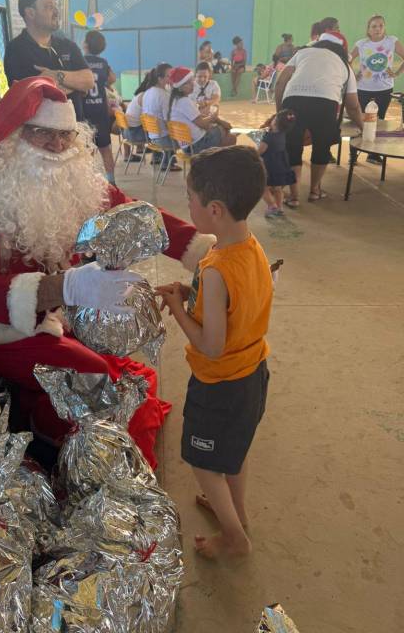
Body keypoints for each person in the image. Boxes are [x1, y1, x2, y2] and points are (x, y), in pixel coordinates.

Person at [0, 76, 217, 468]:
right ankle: (49, 445)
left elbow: (135, 218)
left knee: (111, 352)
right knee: (94, 376)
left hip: (44, 316)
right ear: (12, 135)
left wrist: (207, 253)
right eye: (42, 133)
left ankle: (49, 420)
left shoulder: (72, 179)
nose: (57, 146)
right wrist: (69, 287)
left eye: (65, 135)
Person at [156, 146, 272, 558]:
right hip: (253, 373)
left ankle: (234, 538)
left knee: (204, 462)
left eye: (191, 197)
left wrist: (176, 308)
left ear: (215, 209)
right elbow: (236, 307)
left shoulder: (216, 268)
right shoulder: (250, 248)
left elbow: (211, 345)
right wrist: (191, 296)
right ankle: (237, 514)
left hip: (220, 384)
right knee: (233, 452)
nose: (187, 204)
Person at [275, 32, 363, 207]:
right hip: (325, 104)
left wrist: (280, 113)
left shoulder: (302, 53)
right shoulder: (344, 64)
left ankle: (294, 197)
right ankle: (315, 191)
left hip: (293, 101)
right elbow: (353, 105)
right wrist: (363, 126)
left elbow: (280, 83)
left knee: (293, 148)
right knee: (321, 148)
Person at [3, 0, 94, 120]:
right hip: (40, 132)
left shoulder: (68, 45)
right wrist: (75, 86)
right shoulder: (16, 50)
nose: (56, 12)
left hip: (77, 129)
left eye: (55, 6)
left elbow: (89, 80)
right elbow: (27, 96)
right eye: (49, 7)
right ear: (31, 13)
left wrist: (56, 76)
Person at [350, 14, 404, 164]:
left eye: (381, 25)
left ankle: (373, 155)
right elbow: (348, 59)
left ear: (384, 27)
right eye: (374, 26)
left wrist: (397, 73)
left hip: (384, 88)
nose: (378, 29)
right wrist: (354, 75)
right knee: (359, 120)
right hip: (363, 88)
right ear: (368, 29)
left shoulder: (392, 41)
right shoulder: (361, 44)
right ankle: (352, 155)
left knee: (379, 121)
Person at [168, 67, 234, 154]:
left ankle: (218, 153)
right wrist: (213, 118)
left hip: (188, 146)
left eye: (192, 81)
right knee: (226, 133)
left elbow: (198, 117)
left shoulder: (176, 100)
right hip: (196, 146)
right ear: (180, 87)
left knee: (224, 133)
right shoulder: (185, 101)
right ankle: (215, 156)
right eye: (189, 82)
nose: (193, 84)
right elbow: (203, 124)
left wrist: (214, 120)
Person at [82, 30, 117, 184]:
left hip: (85, 112)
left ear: (86, 44)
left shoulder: (80, 61)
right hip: (101, 111)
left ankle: (88, 182)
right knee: (105, 149)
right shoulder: (103, 62)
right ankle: (112, 182)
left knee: (86, 151)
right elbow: (112, 79)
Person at [139, 63, 181, 171]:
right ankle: (168, 163)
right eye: (169, 76)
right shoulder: (163, 95)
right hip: (163, 140)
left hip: (151, 138)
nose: (172, 78)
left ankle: (159, 157)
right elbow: (169, 121)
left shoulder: (148, 92)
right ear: (159, 78)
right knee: (191, 136)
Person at [258, 110, 297, 217]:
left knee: (263, 187)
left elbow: (261, 150)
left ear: (275, 122)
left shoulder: (268, 137)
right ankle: (280, 208)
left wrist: (254, 154)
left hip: (269, 166)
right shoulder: (282, 134)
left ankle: (272, 206)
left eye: (274, 118)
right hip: (281, 165)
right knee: (277, 188)